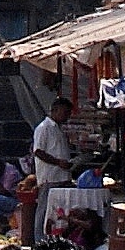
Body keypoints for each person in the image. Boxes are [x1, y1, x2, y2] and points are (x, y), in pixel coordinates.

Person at [26, 100, 77, 235]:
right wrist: (58, 162)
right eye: (65, 112)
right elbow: (38, 151)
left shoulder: (58, 129)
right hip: (50, 177)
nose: (67, 116)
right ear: (55, 110)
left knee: (57, 212)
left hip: (62, 176)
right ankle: (38, 239)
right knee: (44, 210)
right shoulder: (44, 128)